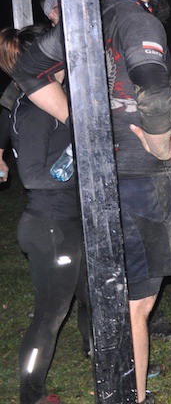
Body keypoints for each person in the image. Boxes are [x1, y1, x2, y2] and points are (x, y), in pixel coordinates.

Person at [13, 0, 171, 404]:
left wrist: (81, 120)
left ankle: (123, 390)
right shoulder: (138, 20)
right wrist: (159, 142)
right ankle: (131, 397)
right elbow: (152, 85)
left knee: (116, 292)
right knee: (136, 303)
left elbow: (27, 68)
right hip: (138, 179)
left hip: (97, 180)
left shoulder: (88, 17)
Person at [1, 25, 91, 404]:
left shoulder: (51, 103)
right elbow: (33, 176)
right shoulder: (37, 111)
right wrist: (83, 168)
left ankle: (101, 353)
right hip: (50, 226)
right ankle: (31, 394)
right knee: (49, 318)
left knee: (93, 294)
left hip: (69, 221)